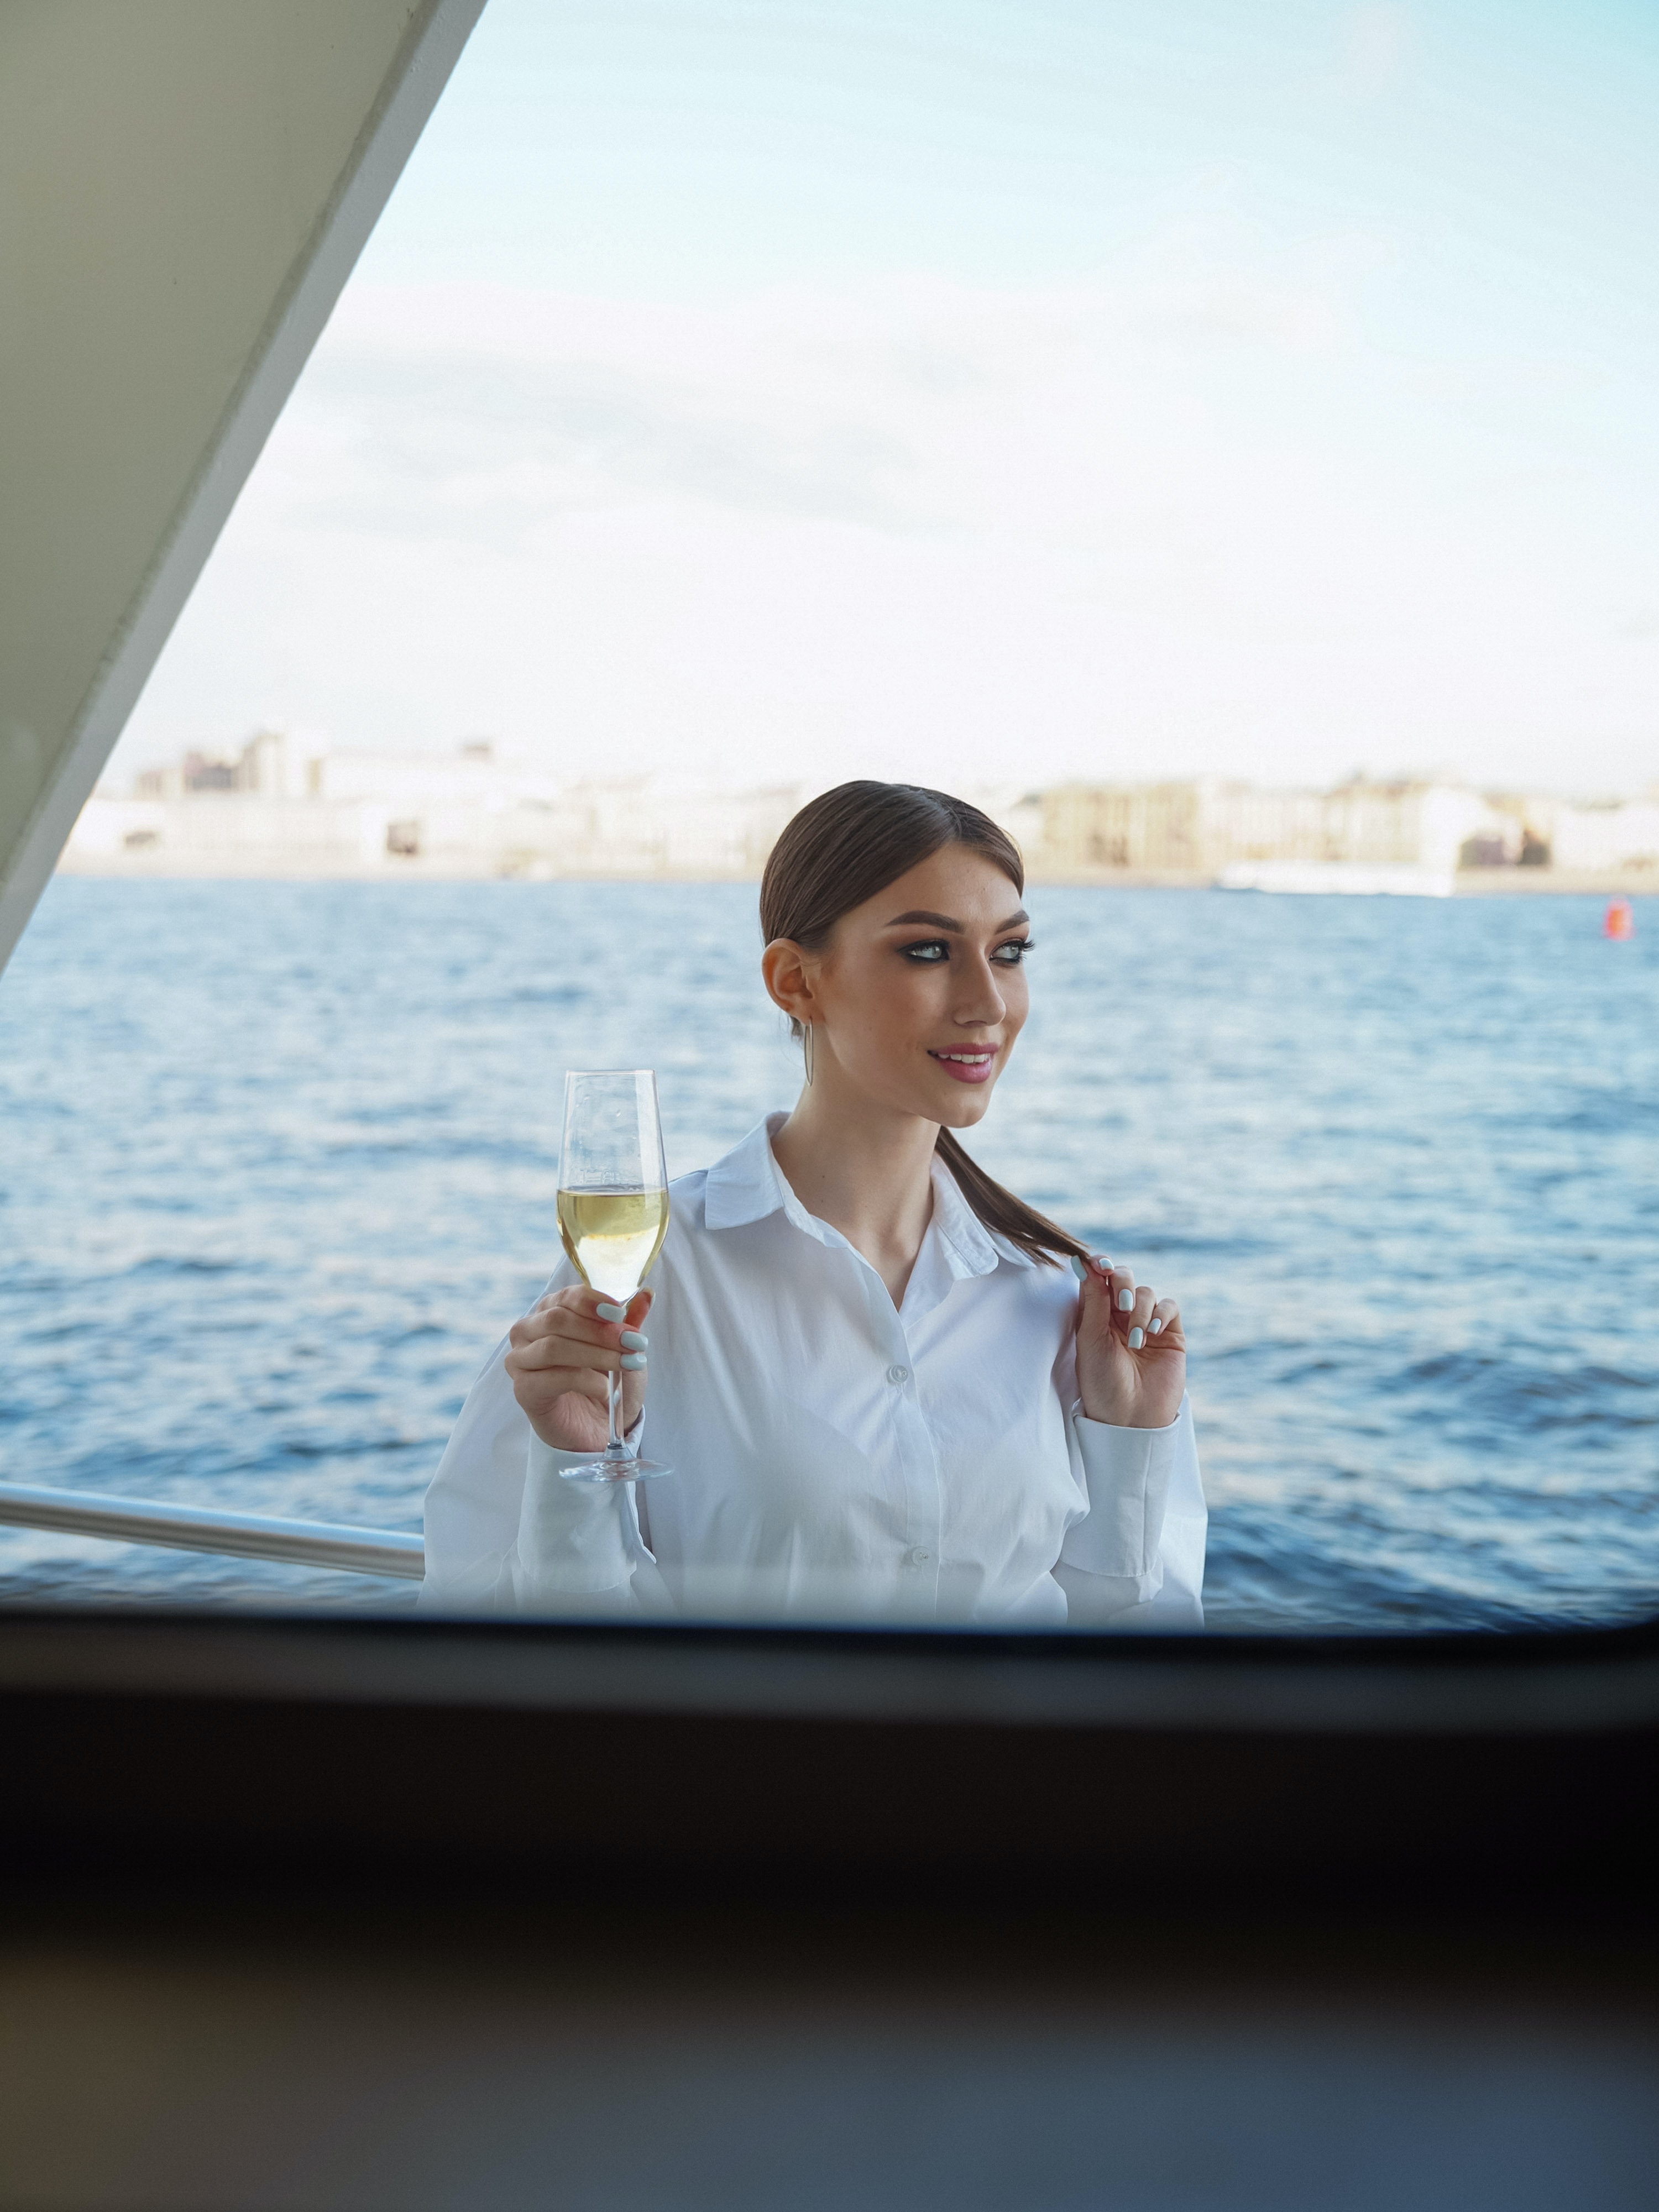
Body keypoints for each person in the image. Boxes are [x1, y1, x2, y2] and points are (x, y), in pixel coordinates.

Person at [423, 781, 1206, 1626]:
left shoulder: (1058, 1298)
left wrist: (1130, 1445)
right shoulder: (651, 1277)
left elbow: (1126, 1653)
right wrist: (574, 1463)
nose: (987, 1003)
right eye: (928, 951)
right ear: (795, 981)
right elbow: (499, 1644)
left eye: (1009, 952)